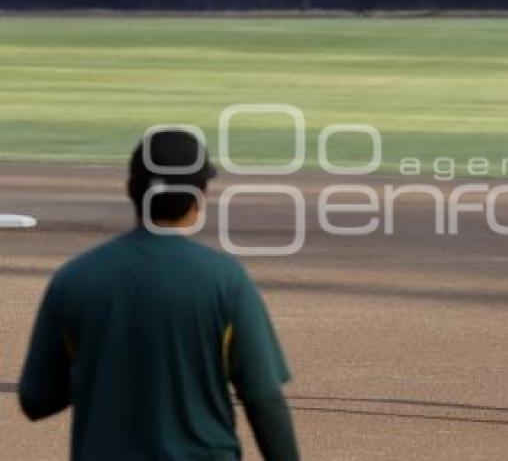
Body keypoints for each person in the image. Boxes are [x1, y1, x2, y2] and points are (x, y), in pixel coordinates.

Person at [19, 129, 299, 460]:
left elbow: (36, 400)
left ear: (130, 190)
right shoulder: (226, 280)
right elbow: (264, 399)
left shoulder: (75, 278)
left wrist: (102, 364)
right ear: (199, 198)